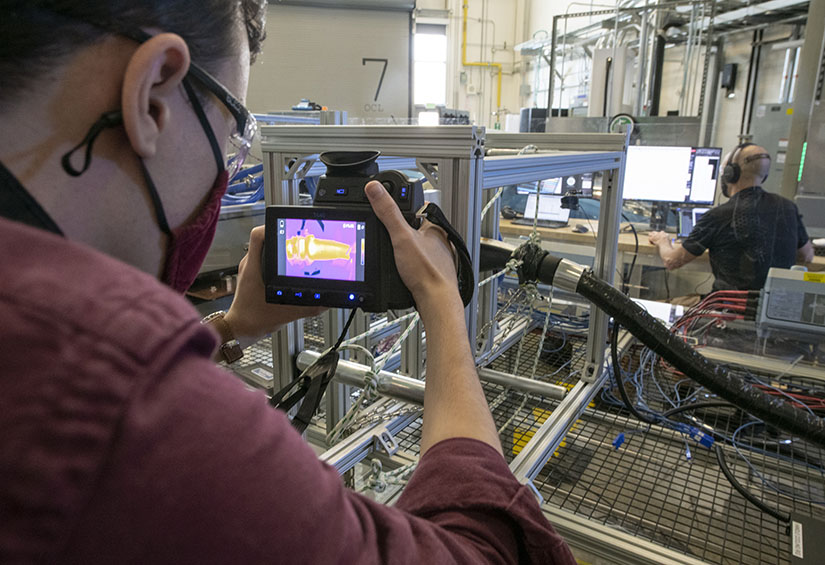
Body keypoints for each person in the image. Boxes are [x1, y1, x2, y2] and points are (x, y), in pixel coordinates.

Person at [0, 2, 575, 563]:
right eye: (231, 140)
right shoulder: (142, 407)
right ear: (152, 95)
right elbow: (480, 549)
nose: (226, 171)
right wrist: (442, 298)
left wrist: (229, 327)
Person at [648, 143, 814, 291]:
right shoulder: (788, 208)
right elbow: (806, 256)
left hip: (725, 311)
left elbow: (672, 261)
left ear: (730, 174)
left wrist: (662, 240)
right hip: (771, 311)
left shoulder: (717, 216)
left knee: (662, 309)